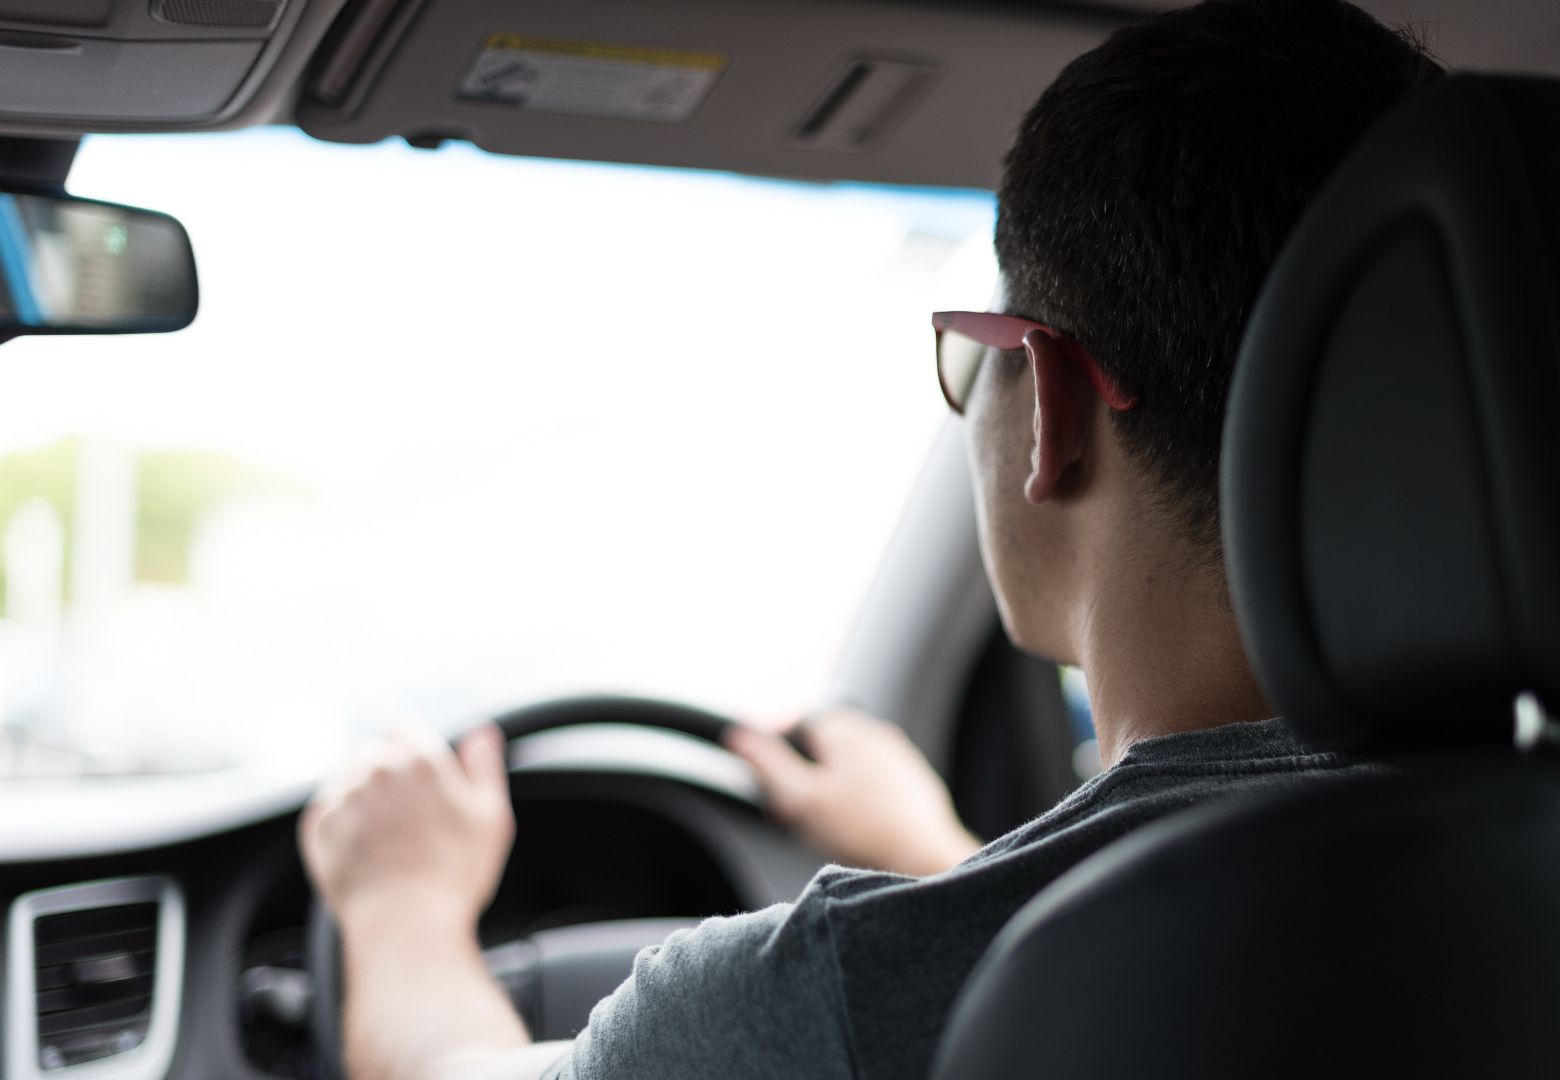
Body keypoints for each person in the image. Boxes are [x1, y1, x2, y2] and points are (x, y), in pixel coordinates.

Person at [296, 3, 1445, 1077]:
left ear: (1051, 404)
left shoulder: (829, 993)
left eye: (970, 351)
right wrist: (939, 852)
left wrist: (401, 910)